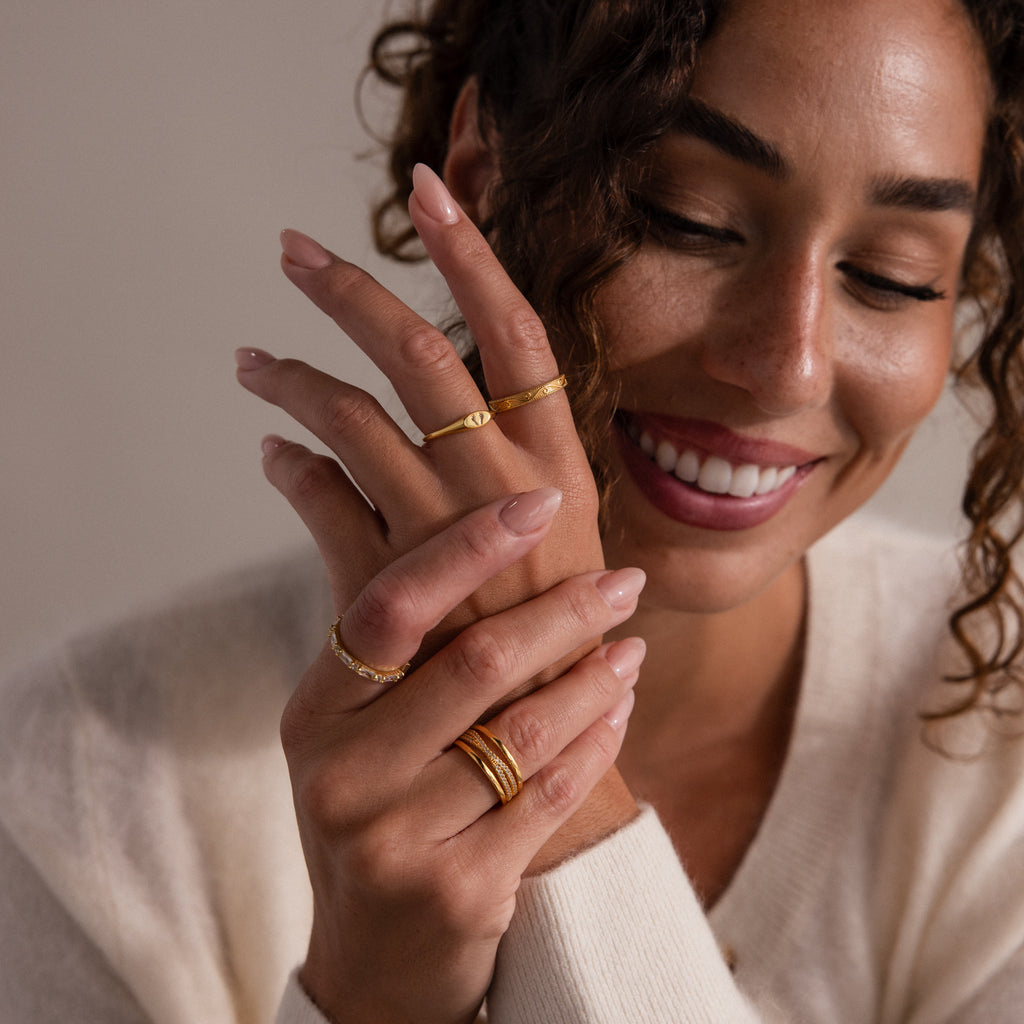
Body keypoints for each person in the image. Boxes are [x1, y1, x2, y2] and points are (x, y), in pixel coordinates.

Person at [3, 0, 1024, 1021]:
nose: (786, 366)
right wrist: (375, 995)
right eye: (688, 219)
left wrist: (559, 784)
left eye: (893, 277)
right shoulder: (92, 782)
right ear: (487, 175)